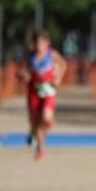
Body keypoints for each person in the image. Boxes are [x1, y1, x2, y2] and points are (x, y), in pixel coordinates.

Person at [18, 30, 67, 161]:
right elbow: (22, 70)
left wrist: (59, 78)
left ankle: (41, 136)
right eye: (37, 42)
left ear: (47, 43)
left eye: (42, 42)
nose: (39, 44)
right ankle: (40, 148)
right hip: (34, 91)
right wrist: (24, 76)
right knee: (35, 121)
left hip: (48, 90)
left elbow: (63, 65)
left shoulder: (52, 54)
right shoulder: (30, 56)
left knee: (45, 118)